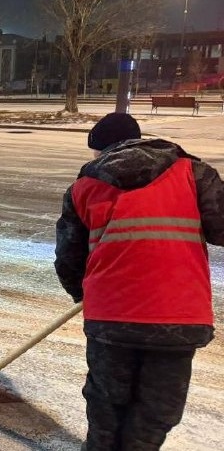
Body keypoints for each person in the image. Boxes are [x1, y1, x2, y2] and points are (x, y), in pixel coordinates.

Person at [54, 112, 224, 450]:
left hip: (110, 318)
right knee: (155, 412)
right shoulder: (194, 173)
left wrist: (83, 294)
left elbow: (68, 258)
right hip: (178, 316)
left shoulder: (84, 187)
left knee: (106, 407)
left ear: (101, 150)